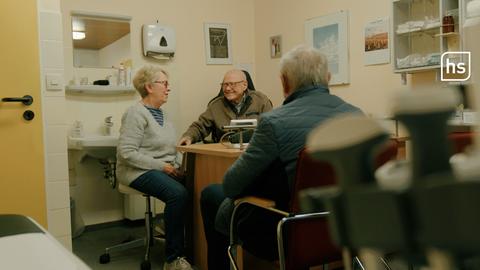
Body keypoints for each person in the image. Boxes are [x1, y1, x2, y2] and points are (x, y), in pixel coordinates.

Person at [200, 45, 362, 269]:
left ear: (285, 82)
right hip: (344, 226)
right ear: (328, 78)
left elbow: (231, 185)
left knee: (212, 194)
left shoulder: (274, 122)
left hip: (287, 231)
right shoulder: (356, 115)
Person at [116, 65, 193, 270]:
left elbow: (171, 147)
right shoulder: (135, 113)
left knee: (196, 185)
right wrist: (163, 167)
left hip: (160, 168)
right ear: (149, 87)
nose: (168, 88)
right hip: (135, 170)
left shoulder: (163, 115)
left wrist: (178, 164)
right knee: (177, 194)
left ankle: (187, 243)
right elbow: (127, 152)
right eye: (164, 84)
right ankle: (173, 259)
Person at [178, 69, 273, 145]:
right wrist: (188, 136)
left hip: (255, 150)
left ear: (244, 85)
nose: (227, 88)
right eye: (225, 85)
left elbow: (271, 126)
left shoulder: (260, 100)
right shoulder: (215, 105)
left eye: (232, 84)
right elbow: (200, 126)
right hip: (226, 151)